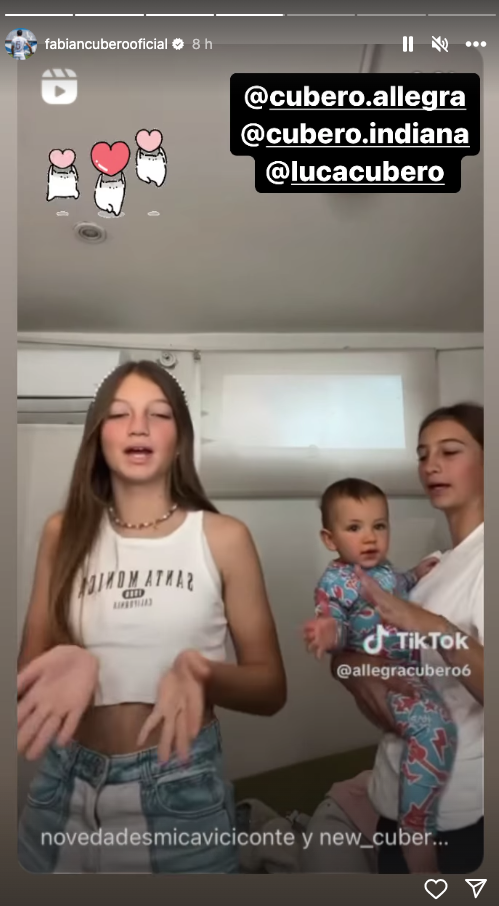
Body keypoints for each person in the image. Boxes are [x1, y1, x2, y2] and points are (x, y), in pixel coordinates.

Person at [17, 359, 287, 873]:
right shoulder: (62, 532)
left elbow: (271, 689)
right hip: (61, 789)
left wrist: (201, 672)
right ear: (98, 436)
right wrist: (73, 657)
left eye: (158, 414)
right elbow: (27, 675)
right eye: (120, 414)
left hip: (179, 793)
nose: (138, 427)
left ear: (179, 438)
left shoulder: (224, 537)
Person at [300, 403, 484, 874]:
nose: (431, 466)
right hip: (391, 798)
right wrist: (348, 664)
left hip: (461, 817)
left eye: (449, 451)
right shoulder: (431, 567)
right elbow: (356, 652)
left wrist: (431, 624)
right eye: (423, 455)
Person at [302, 477, 452, 873]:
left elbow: (400, 583)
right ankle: (415, 827)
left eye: (379, 525)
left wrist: (417, 573)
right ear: (329, 539)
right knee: (431, 726)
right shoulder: (336, 581)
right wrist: (328, 632)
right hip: (384, 678)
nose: (369, 537)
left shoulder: (385, 571)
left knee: (432, 728)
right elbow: (335, 623)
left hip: (409, 672)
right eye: (354, 528)